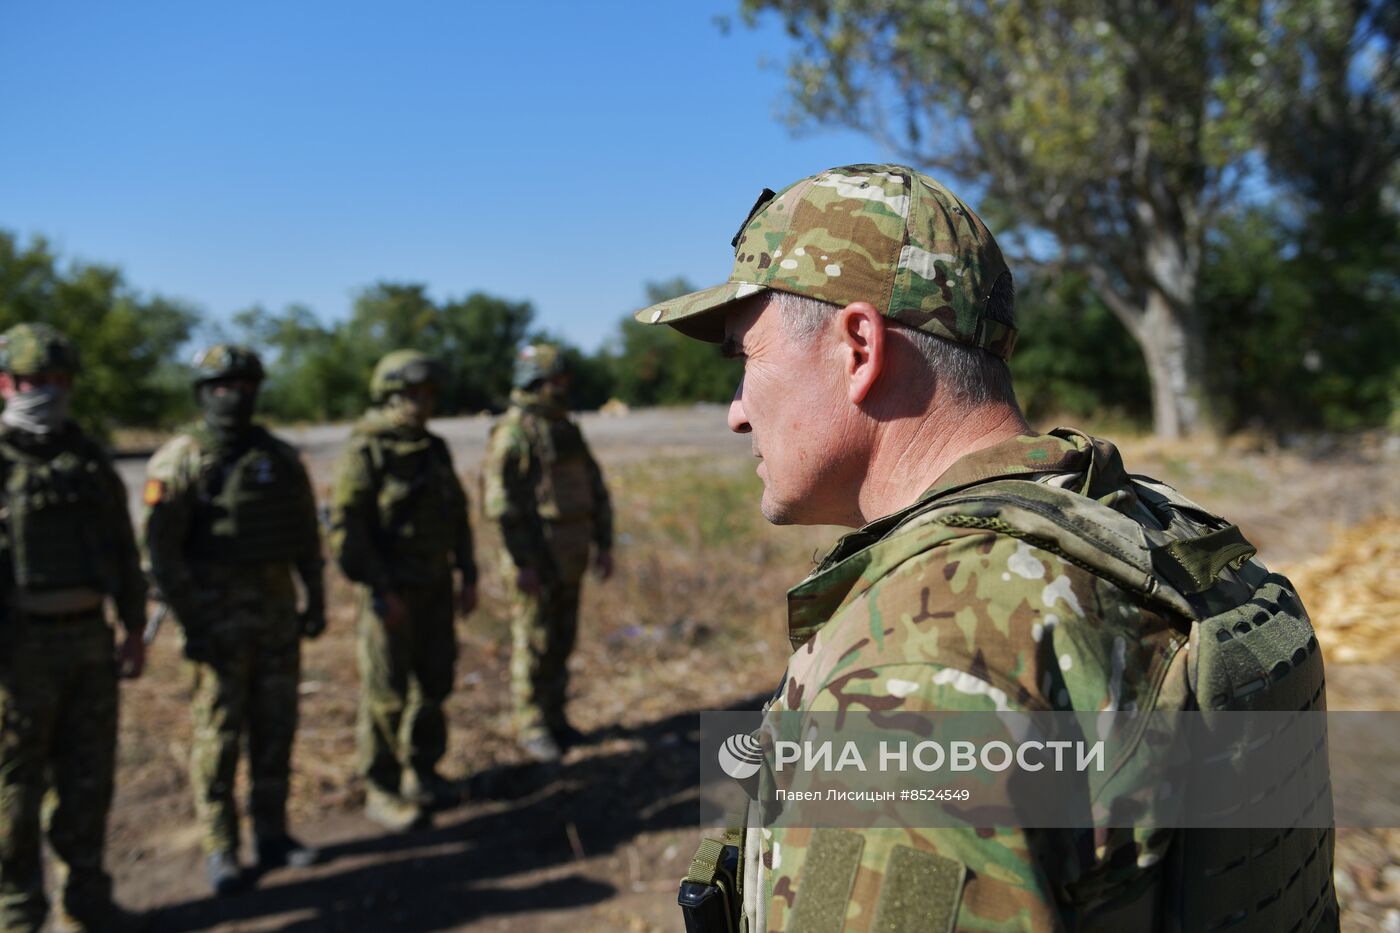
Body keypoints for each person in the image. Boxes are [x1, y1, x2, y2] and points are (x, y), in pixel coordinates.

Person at [637, 164, 1338, 932]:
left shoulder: (917, 664)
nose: (737, 412)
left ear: (859, 348)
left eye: (746, 357)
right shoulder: (1160, 531)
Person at [142, 345, 325, 896]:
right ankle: (221, 846)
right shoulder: (181, 458)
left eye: (245, 386)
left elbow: (303, 537)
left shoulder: (281, 458)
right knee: (217, 738)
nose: (235, 396)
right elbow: (160, 553)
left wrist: (313, 599)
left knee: (275, 729)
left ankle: (272, 833)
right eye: (223, 386)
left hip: (275, 620)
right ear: (203, 392)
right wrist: (193, 621)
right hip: (215, 625)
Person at [0, 323, 147, 932]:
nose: (51, 393)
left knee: (88, 782)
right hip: (15, 652)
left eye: (61, 381)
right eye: (37, 381)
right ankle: (17, 915)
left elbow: (122, 546)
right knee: (14, 796)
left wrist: (134, 628)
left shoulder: (86, 460)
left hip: (89, 640)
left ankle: (86, 906)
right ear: (6, 383)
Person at [329, 350, 477, 831]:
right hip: (390, 592)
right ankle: (382, 789)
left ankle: (423, 772)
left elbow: (456, 515)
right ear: (390, 395)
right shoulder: (366, 449)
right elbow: (348, 530)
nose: (422, 405)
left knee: (434, 684)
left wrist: (468, 574)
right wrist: (379, 589)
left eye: (429, 396)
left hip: (435, 585)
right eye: (412, 395)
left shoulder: (433, 448)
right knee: (387, 695)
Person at [482, 344, 613, 763]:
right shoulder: (515, 432)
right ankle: (532, 724)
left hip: (570, 555)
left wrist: (604, 544)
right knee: (534, 642)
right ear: (535, 382)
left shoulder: (564, 427)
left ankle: (555, 716)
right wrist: (523, 564)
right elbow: (502, 508)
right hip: (536, 561)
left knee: (562, 639)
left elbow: (594, 488)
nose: (565, 387)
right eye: (558, 380)